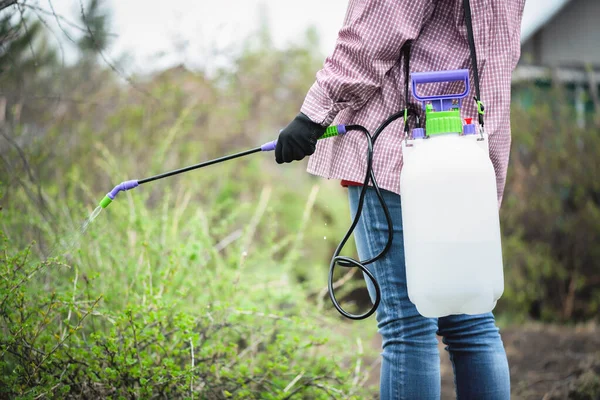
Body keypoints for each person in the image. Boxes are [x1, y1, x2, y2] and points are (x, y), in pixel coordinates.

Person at [275, 0, 526, 399]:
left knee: (408, 327)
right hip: (472, 157)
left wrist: (313, 116)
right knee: (470, 321)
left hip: (400, 154)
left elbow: (372, 35)